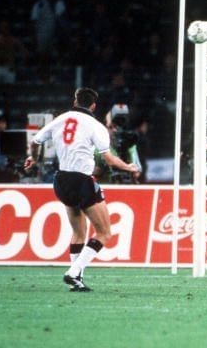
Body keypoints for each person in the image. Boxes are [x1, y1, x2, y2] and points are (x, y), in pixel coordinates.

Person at [24, 88, 138, 291]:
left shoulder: (60, 119)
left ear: (75, 101)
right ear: (93, 106)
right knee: (104, 233)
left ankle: (77, 279)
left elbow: (36, 141)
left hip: (61, 180)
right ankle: (74, 271)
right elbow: (108, 158)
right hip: (82, 181)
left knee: (79, 231)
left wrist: (34, 157)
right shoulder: (96, 126)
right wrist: (128, 166)